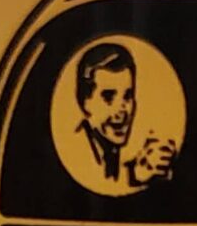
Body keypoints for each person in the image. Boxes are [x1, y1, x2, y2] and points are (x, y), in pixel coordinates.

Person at [74, 41, 177, 192]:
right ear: (85, 102)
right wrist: (135, 175)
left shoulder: (112, 153)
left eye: (128, 96)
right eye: (108, 97)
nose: (121, 109)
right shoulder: (75, 151)